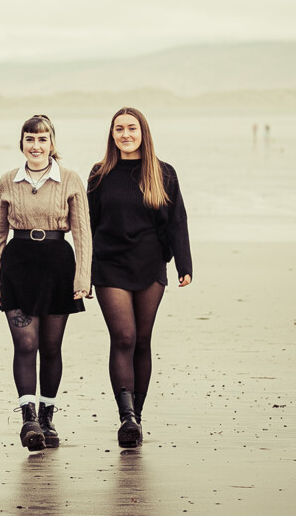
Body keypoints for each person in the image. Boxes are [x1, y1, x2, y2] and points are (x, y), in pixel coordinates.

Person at [87, 107, 192, 448]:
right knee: (124, 338)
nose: (126, 134)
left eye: (132, 128)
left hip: (149, 265)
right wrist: (82, 272)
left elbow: (177, 220)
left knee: (143, 340)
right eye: (119, 129)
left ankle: (138, 416)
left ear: (143, 132)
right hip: (109, 264)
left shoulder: (163, 173)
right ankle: (126, 415)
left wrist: (184, 264)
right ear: (112, 134)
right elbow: (87, 226)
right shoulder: (100, 173)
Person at [0, 115, 91, 451]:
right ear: (22, 143)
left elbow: (82, 233)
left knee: (51, 347)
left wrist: (83, 276)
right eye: (30, 139)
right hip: (17, 266)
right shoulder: (7, 180)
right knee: (26, 343)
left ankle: (47, 415)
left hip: (58, 266)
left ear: (52, 143)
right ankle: (28, 417)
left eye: (42, 139)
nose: (36, 145)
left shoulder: (70, 180)